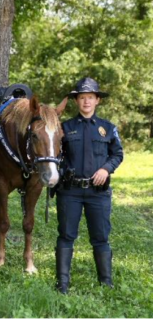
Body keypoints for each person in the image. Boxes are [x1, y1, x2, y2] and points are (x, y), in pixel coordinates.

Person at [55, 77, 124, 294]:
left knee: (101, 237)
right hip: (70, 191)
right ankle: (62, 284)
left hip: (98, 193)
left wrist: (106, 169)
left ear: (97, 101)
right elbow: (55, 154)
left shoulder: (108, 128)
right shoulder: (64, 128)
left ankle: (106, 283)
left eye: (90, 98)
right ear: (77, 101)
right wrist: (64, 170)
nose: (86, 102)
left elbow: (117, 154)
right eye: (82, 98)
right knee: (66, 235)